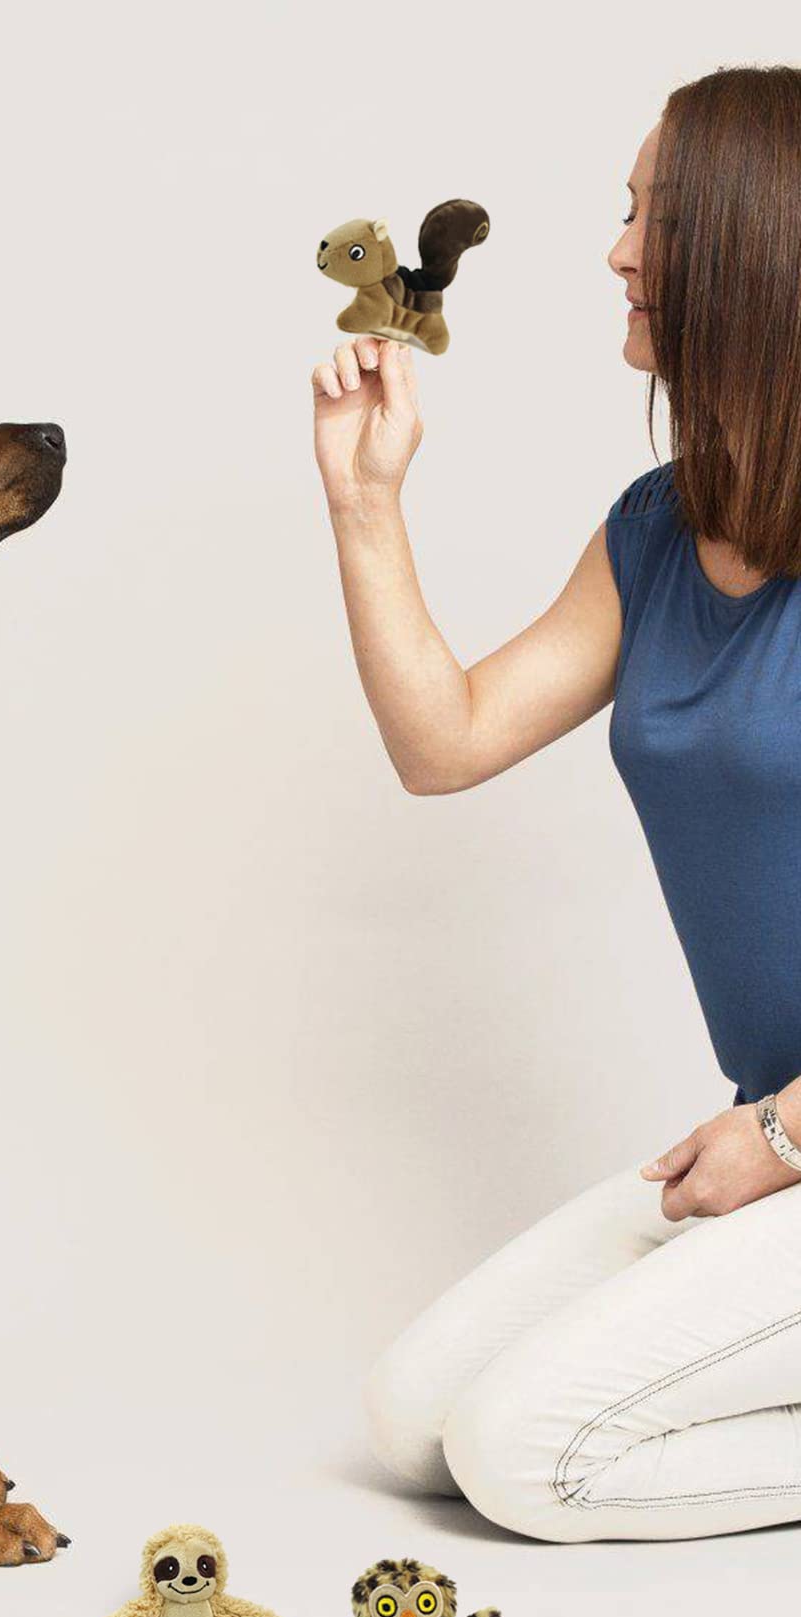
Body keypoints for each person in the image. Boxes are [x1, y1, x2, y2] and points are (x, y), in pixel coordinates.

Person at [309, 65, 801, 1542]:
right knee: (415, 1424)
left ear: (749, 246)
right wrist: (366, 505)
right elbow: (445, 741)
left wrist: (786, 1139)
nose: (618, 251)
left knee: (526, 1456)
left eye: (652, 213)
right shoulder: (662, 529)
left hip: (791, 1139)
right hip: (771, 1133)